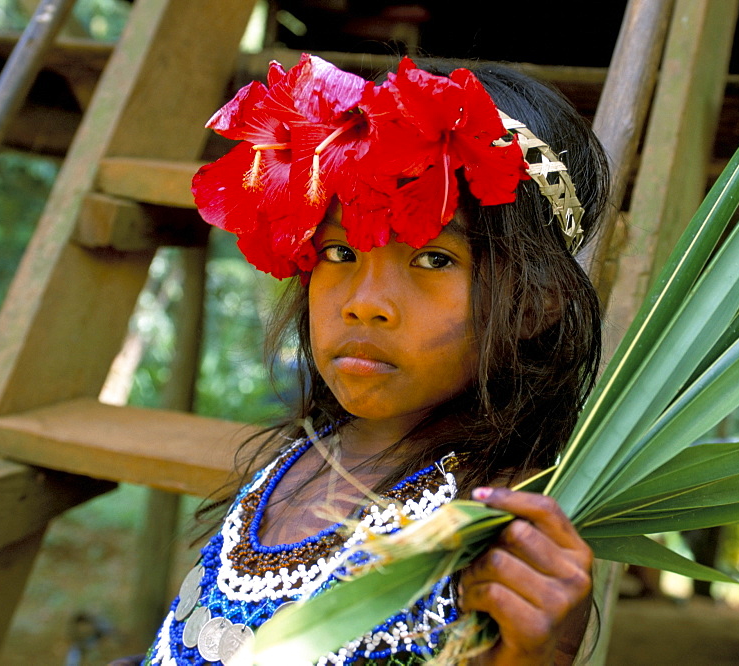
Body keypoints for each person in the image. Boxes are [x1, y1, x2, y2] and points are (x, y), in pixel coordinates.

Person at [127, 53, 611, 666]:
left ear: (531, 308)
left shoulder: (494, 540)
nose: (366, 304)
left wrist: (534, 658)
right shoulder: (299, 459)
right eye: (338, 253)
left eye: (433, 259)